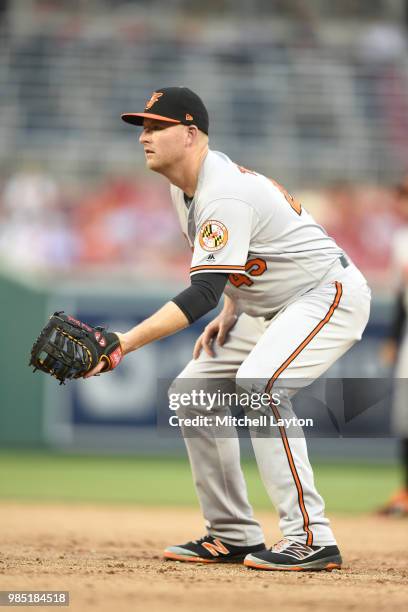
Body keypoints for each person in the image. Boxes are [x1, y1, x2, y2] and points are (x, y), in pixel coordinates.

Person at [86, 87, 371, 571]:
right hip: (268, 306)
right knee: (192, 392)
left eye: (157, 127)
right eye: (143, 128)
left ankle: (312, 537)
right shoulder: (184, 189)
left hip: (326, 293)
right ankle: (233, 533)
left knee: (262, 384)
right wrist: (233, 307)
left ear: (191, 133)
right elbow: (234, 268)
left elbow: (199, 295)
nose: (144, 138)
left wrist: (123, 343)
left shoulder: (223, 192)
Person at [378, 181, 408, 516]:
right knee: (405, 418)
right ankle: (405, 492)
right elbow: (401, 298)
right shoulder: (401, 241)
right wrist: (393, 338)